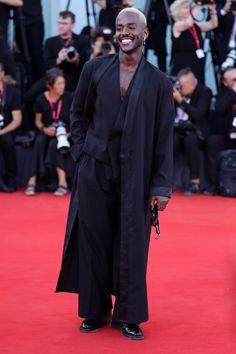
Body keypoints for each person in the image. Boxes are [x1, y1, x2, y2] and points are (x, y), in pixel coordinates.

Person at [56, 8, 174, 340]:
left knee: (132, 244)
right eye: (120, 27)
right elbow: (77, 113)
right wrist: (81, 153)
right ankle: (95, 310)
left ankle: (128, 315)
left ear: (145, 34)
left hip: (136, 174)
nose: (125, 32)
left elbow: (165, 138)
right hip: (95, 168)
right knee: (93, 239)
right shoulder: (94, 70)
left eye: (131, 27)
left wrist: (161, 185)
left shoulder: (159, 83)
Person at [24, 68, 73, 197]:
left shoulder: (69, 98)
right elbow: (38, 121)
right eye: (58, 84)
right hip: (47, 131)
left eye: (63, 83)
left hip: (66, 134)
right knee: (39, 142)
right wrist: (44, 129)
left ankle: (63, 183)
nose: (62, 86)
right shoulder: (41, 98)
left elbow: (76, 121)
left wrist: (68, 134)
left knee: (55, 144)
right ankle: (32, 181)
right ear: (49, 85)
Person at [173, 67, 212, 195]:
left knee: (190, 141)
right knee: (170, 140)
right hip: (178, 129)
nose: (179, 88)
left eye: (182, 86)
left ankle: (195, 182)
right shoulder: (176, 93)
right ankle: (163, 181)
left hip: (196, 130)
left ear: (191, 85)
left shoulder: (204, 92)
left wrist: (181, 101)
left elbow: (198, 114)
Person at [204, 67, 236, 195]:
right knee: (212, 142)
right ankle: (214, 185)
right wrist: (233, 92)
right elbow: (219, 108)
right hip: (229, 136)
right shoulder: (224, 94)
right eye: (233, 80)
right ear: (225, 82)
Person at [169, 0, 218, 83]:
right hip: (183, 66)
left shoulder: (194, 26)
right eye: (186, 8)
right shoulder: (177, 25)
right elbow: (189, 23)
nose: (189, 10)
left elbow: (213, 24)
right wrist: (199, 3)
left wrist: (212, 10)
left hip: (197, 64)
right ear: (178, 11)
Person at [44, 11, 91, 92]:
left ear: (72, 25)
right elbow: (45, 65)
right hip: (54, 78)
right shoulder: (50, 42)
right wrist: (58, 59)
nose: (60, 26)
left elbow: (88, 65)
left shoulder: (82, 41)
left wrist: (76, 60)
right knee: (30, 95)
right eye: (59, 23)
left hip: (75, 77)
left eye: (64, 23)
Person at [0, 62, 22, 192]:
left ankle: (11, 179)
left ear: (3, 73)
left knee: (6, 141)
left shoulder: (12, 92)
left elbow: (17, 120)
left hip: (6, 129)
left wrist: (2, 131)